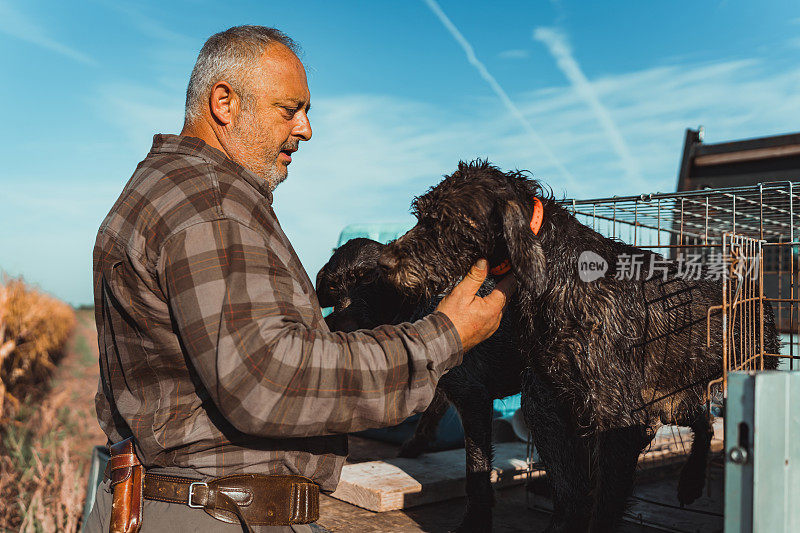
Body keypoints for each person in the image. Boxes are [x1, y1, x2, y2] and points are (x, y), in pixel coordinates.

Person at [84, 25, 514, 532]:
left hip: (180, 503)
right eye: (289, 109)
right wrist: (446, 336)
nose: (306, 129)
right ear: (224, 102)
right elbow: (268, 379)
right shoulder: (211, 207)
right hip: (216, 514)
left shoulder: (166, 191)